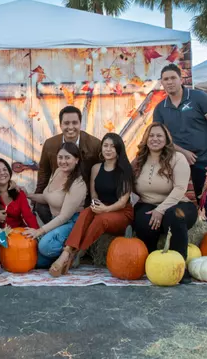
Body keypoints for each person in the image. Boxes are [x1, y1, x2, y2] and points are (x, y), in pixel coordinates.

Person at [50, 133, 134, 276]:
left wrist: (105, 209)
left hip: (121, 212)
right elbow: (94, 194)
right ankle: (67, 252)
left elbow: (122, 202)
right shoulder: (96, 168)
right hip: (101, 206)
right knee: (86, 213)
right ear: (101, 148)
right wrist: (96, 205)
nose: (108, 149)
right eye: (105, 145)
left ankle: (76, 253)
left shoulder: (125, 171)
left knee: (101, 219)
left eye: (112, 146)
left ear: (119, 149)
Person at [153, 64, 207, 228]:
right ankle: (180, 233)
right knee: (174, 197)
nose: (169, 82)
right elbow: (159, 136)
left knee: (205, 200)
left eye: (173, 78)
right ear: (162, 83)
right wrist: (182, 152)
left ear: (181, 79)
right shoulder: (160, 109)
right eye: (166, 79)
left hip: (204, 159)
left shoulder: (199, 98)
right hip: (175, 160)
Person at [132, 122, 198, 284]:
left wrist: (161, 209)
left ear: (167, 139)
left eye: (159, 135)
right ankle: (152, 263)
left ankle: (179, 267)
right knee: (142, 219)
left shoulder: (177, 158)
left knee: (173, 216)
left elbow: (180, 188)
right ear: (146, 139)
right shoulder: (139, 159)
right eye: (151, 136)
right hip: (148, 203)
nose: (155, 139)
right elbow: (126, 181)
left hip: (178, 204)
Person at [24, 143, 87, 270]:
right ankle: (63, 255)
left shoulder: (78, 183)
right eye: (60, 157)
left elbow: (64, 216)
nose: (63, 161)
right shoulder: (58, 172)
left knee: (44, 246)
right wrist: (27, 195)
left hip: (72, 222)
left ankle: (73, 250)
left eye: (67, 158)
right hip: (57, 221)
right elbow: (48, 198)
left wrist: (39, 231)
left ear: (76, 160)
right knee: (37, 261)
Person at [34, 106, 101, 224]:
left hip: (82, 197)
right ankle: (56, 231)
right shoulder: (50, 144)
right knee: (41, 207)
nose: (70, 127)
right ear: (60, 125)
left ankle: (69, 232)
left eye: (75, 123)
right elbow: (44, 173)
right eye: (66, 123)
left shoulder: (95, 144)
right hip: (59, 195)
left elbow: (102, 172)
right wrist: (35, 199)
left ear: (80, 123)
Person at [0, 158, 39, 230]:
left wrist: (37, 233)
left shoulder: (19, 192)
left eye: (5, 170)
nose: (2, 173)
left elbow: (28, 216)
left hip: (17, 235)